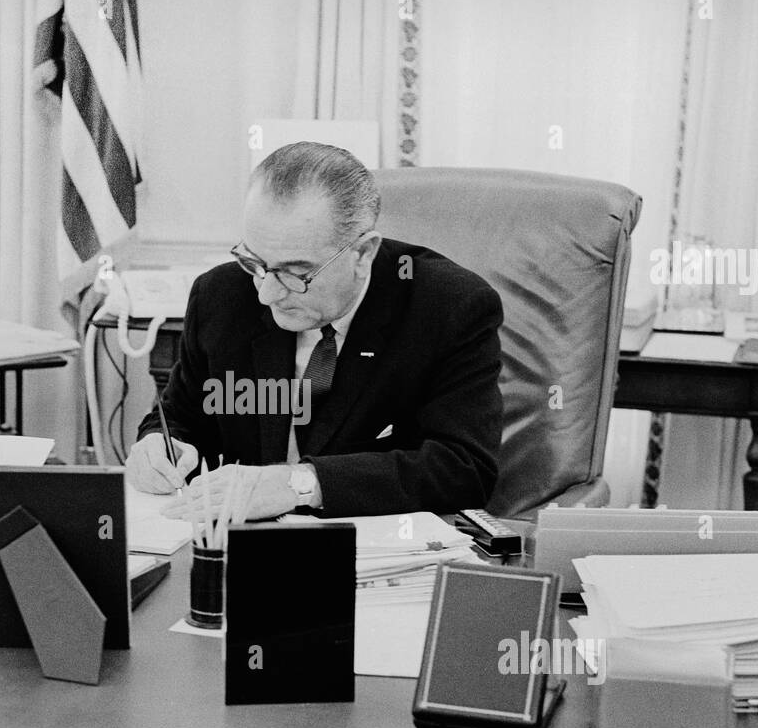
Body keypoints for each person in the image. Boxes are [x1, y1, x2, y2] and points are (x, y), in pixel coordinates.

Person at [126, 141, 504, 521]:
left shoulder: (448, 307)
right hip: (244, 544)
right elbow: (183, 414)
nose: (266, 293)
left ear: (362, 254)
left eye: (295, 273)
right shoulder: (221, 295)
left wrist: (302, 484)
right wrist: (161, 445)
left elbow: (463, 468)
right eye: (254, 261)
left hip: (374, 546)